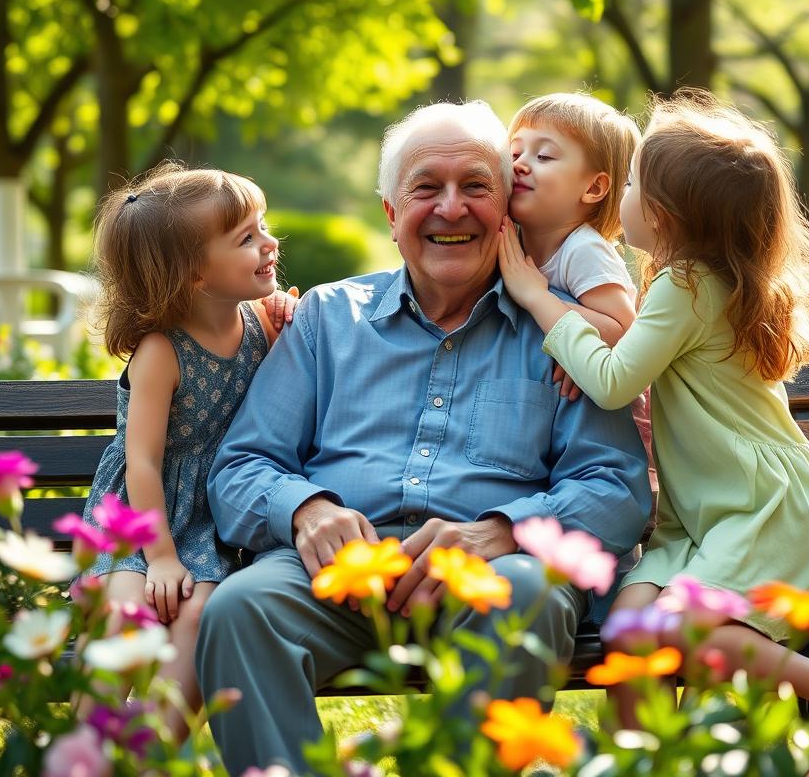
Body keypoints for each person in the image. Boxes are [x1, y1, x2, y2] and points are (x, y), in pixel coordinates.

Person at [197, 101, 652, 772]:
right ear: (389, 214)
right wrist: (305, 509)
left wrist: (500, 531)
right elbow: (242, 464)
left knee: (525, 590)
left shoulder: (559, 329)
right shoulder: (329, 316)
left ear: (508, 210)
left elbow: (616, 490)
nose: (450, 209)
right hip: (340, 580)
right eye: (424, 189)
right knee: (240, 609)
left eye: (475, 187)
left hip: (493, 577)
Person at [498, 90, 809, 725]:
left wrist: (535, 294)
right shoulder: (696, 280)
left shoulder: (685, 286)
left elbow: (611, 382)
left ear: (661, 214)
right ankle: (646, 758)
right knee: (629, 637)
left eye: (630, 183)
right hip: (697, 520)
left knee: (677, 628)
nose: (622, 196)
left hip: (761, 507)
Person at [79, 161, 294, 742]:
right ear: (195, 274)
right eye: (246, 238)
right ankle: (82, 749)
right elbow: (141, 461)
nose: (270, 243)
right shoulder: (160, 351)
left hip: (216, 518)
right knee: (128, 615)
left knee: (198, 615)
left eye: (263, 225)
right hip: (145, 517)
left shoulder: (257, 324)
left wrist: (287, 325)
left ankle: (151, 752)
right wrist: (163, 557)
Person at [507, 93, 655, 493]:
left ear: (593, 187)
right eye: (515, 151)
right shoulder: (512, 238)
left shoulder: (582, 249)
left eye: (544, 157)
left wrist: (541, 300)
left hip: (609, 419)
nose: (520, 164)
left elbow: (624, 330)